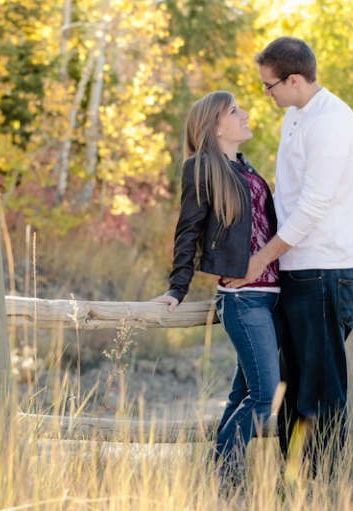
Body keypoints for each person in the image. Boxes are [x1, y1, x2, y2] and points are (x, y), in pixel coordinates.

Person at [224, 36, 353, 472]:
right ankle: (293, 487)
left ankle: (319, 490)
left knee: (319, 394)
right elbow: (285, 198)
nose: (267, 95)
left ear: (295, 79)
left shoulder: (331, 123)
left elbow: (312, 208)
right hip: (296, 270)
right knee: (292, 387)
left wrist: (260, 260)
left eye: (270, 86)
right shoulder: (296, 114)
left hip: (324, 272)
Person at [150, 91, 281, 485]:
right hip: (244, 300)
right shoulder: (202, 167)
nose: (245, 114)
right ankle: (222, 476)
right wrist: (177, 289)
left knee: (242, 395)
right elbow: (188, 230)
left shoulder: (245, 167)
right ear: (215, 126)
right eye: (234, 111)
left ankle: (215, 481)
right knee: (265, 395)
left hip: (273, 296)